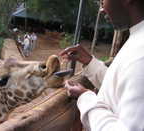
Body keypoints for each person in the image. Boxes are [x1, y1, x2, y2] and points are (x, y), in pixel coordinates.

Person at [59, 0, 144, 131]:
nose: (102, 9)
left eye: (102, 0)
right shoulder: (137, 37)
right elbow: (122, 87)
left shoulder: (140, 52)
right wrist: (90, 62)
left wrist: (86, 99)